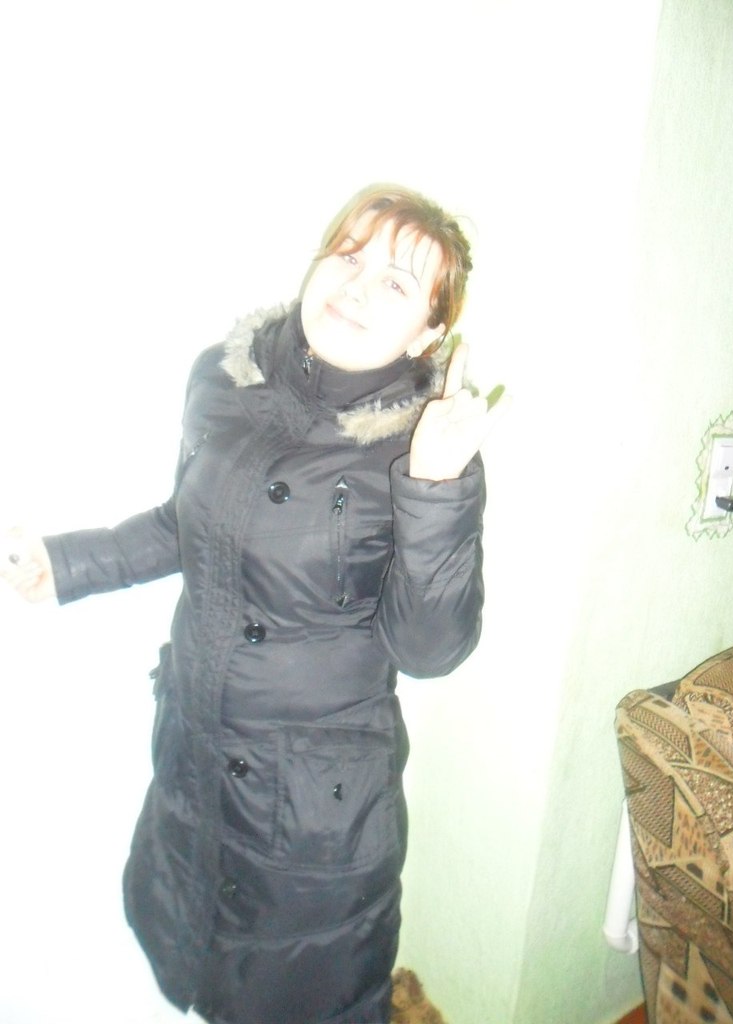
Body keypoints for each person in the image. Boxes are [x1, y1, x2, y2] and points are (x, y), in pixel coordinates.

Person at [1, 184, 507, 1024]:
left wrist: (437, 486)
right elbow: (186, 524)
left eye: (395, 282)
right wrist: (68, 565)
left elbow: (429, 650)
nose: (356, 287)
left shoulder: (425, 444)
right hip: (198, 761)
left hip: (315, 814)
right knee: (210, 973)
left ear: (428, 332)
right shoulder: (225, 379)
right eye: (348, 257)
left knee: (309, 999)